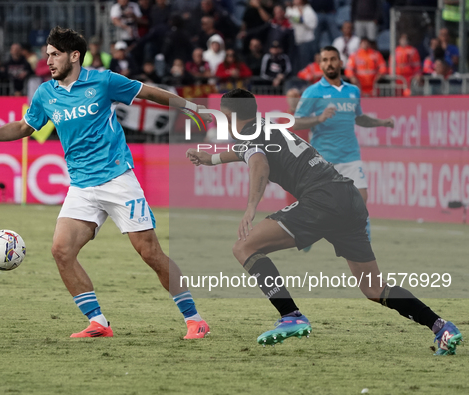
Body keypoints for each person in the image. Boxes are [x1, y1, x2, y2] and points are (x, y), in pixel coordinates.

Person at [0, 26, 210, 340]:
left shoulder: (103, 81)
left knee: (150, 253)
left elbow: (147, 92)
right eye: (47, 55)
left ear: (74, 56)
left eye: (55, 55)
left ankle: (195, 320)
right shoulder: (46, 93)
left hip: (117, 180)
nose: (48, 61)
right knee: (61, 251)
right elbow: (23, 127)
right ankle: (99, 322)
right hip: (82, 186)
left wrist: (190, 107)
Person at [185, 88, 463, 356]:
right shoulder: (266, 126)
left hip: (321, 199)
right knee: (374, 289)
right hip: (348, 198)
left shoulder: (249, 134)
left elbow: (258, 163)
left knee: (243, 247)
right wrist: (211, 159)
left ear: (231, 118)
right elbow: (249, 152)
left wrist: (250, 208)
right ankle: (441, 327)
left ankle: (290, 315)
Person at [293, 45, 393, 240]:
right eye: (325, 60)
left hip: (350, 156)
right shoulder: (313, 92)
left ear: (340, 62)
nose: (329, 63)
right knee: (320, 207)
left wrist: (383, 122)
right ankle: (305, 234)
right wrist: (319, 119)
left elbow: (359, 118)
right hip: (324, 158)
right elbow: (296, 122)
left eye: (332, 59)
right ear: (320, 64)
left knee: (360, 199)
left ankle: (364, 243)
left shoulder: (353, 91)